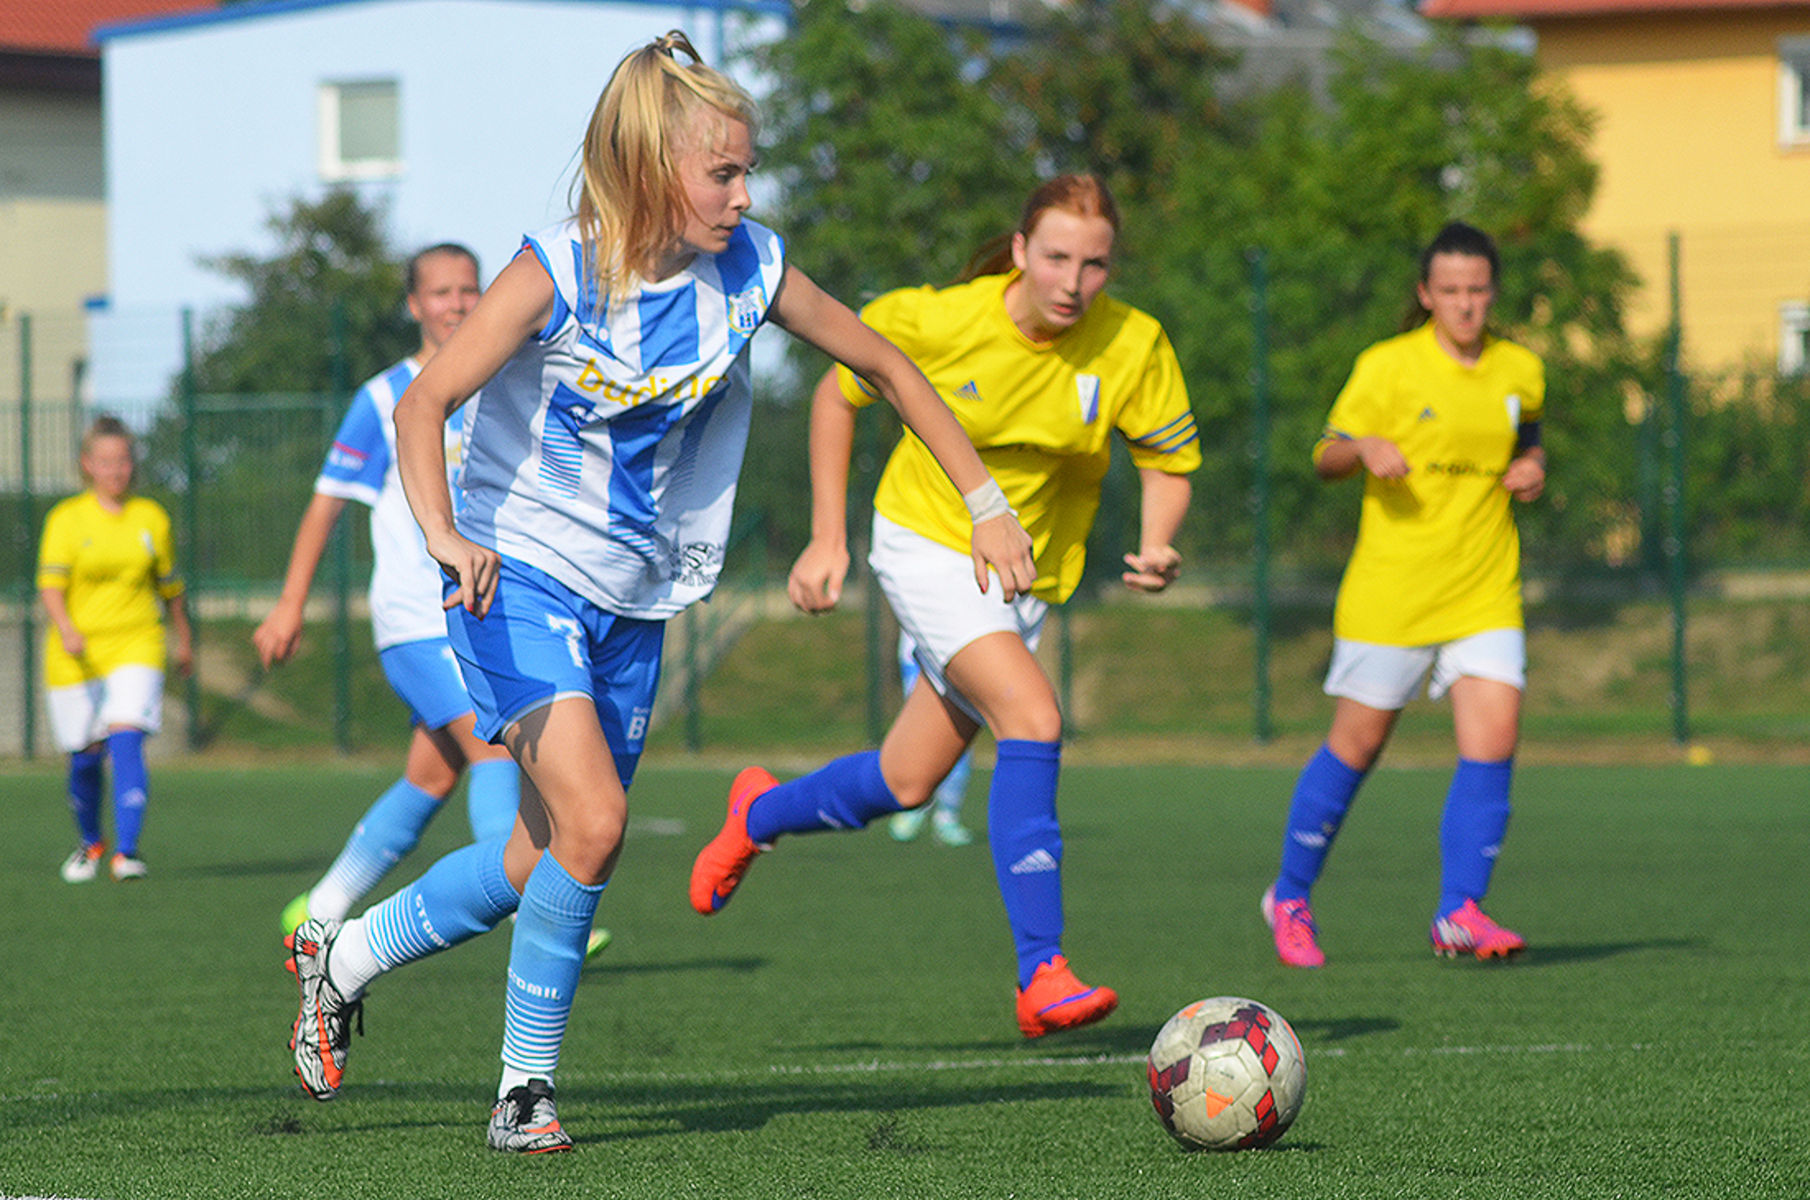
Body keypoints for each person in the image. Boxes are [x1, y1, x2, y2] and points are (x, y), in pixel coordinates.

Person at [283, 30, 1034, 1154]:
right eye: (721, 172)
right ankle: (523, 1093)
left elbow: (882, 363)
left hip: (633, 597)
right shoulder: (557, 268)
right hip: (514, 573)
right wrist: (443, 534)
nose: (742, 194)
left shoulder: (753, 267)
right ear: (647, 169)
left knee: (546, 854)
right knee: (596, 821)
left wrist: (983, 499)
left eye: (747, 170)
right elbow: (423, 403)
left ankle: (343, 956)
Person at [689, 174, 1200, 1040]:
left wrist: (1157, 539)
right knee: (1033, 717)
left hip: (1021, 577)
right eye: (1057, 258)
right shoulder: (934, 320)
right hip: (927, 541)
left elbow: (1167, 457)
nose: (1075, 282)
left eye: (1096, 264)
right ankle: (1042, 971)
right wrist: (825, 537)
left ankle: (757, 813)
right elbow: (834, 397)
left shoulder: (1133, 343)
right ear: (1018, 251)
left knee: (906, 780)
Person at [252, 245, 606, 958]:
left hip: (482, 612)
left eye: (470, 290)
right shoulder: (385, 398)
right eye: (441, 292)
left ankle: (317, 913)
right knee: (497, 753)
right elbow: (326, 506)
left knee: (431, 774)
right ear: (414, 306)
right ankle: (533, 907)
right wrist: (290, 603)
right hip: (416, 619)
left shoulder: (499, 381)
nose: (458, 303)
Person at [1260, 220, 1545, 969]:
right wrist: (1361, 449)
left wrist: (1532, 467)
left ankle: (1460, 910)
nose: (1464, 305)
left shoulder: (1519, 369)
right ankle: (1289, 894)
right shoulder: (1386, 367)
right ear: (1425, 294)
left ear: (1493, 292)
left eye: (1477, 290)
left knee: (1496, 738)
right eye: (1449, 291)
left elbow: (1528, 435)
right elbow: (1324, 454)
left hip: (1485, 587)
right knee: (1358, 745)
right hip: (1393, 594)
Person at [38, 415, 193, 882]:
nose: (116, 470)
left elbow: (170, 588)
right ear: (88, 465)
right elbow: (50, 585)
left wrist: (183, 639)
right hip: (76, 651)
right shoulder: (67, 519)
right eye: (105, 461)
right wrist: (65, 627)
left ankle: (127, 853)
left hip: (137, 641)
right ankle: (92, 843)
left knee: (126, 737)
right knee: (84, 755)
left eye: (123, 459)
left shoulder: (151, 518)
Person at [887, 632, 974, 845]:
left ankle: (948, 815)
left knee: (959, 729)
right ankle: (915, 805)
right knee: (919, 729)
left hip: (962, 646)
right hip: (916, 651)